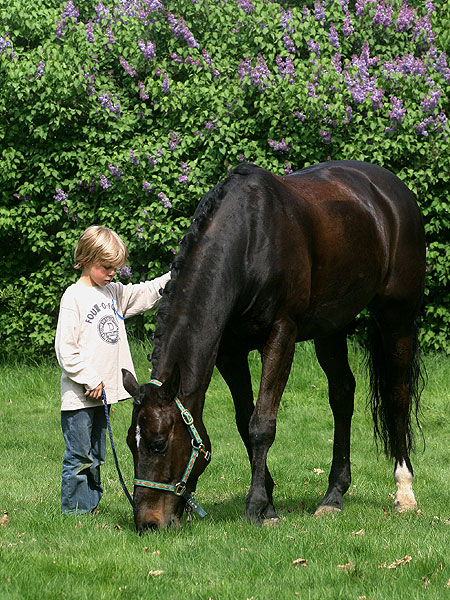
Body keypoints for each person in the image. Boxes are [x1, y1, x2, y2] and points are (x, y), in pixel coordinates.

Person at [55, 225, 170, 515]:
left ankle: (90, 508)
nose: (111, 273)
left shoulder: (113, 293)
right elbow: (66, 350)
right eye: (105, 267)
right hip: (80, 398)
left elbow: (145, 292)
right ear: (85, 259)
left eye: (115, 268)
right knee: (79, 457)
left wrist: (175, 275)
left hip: (102, 396)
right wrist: (90, 379)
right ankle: (75, 512)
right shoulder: (74, 297)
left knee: (96, 456)